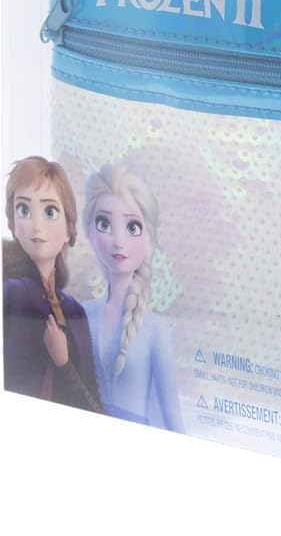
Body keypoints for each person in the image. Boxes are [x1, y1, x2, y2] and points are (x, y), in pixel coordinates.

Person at [83, 160, 183, 431]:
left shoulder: (156, 330)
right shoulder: (81, 313)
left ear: (150, 242)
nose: (118, 241)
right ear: (90, 232)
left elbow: (172, 416)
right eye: (104, 223)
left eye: (132, 228)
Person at [3, 156, 102, 411]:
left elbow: (92, 400)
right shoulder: (13, 294)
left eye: (50, 212)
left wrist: (64, 363)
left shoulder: (74, 309)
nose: (37, 226)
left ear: (69, 229)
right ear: (13, 223)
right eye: (23, 210)